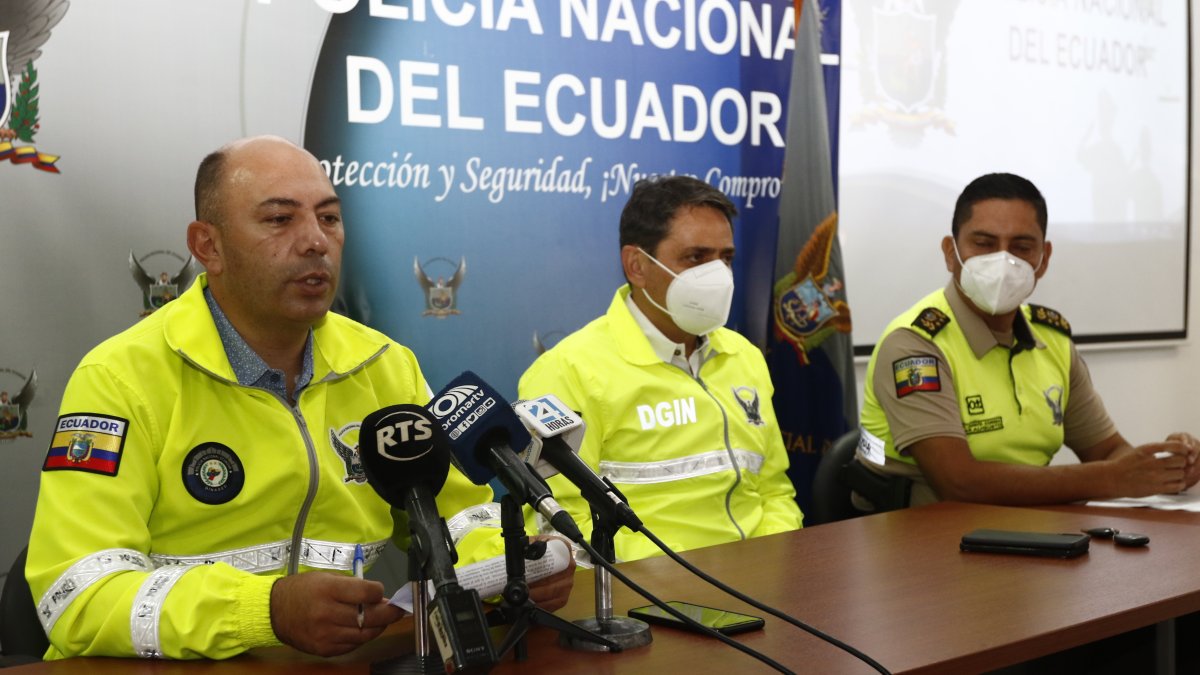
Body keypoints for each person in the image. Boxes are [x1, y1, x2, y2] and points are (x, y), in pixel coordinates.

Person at [25, 136, 572, 661]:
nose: (315, 241)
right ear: (206, 246)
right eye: (280, 219)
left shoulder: (383, 365)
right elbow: (78, 594)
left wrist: (510, 565)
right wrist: (263, 610)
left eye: (329, 218)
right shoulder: (121, 377)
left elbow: (458, 516)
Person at [853, 172, 1199, 510]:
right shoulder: (915, 344)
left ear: (1043, 258)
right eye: (984, 244)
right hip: (917, 544)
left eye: (1021, 247)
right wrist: (1112, 478)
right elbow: (958, 481)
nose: (1004, 260)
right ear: (950, 252)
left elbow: (1108, 453)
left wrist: (1166, 467)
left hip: (1027, 534)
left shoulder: (1052, 339)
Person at [518, 175, 803, 562]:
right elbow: (562, 525)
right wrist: (686, 576)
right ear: (637, 265)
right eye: (696, 257)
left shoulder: (744, 356)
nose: (718, 275)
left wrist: (775, 561)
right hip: (651, 601)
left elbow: (773, 491)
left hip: (763, 584)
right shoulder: (568, 371)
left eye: (726, 258)